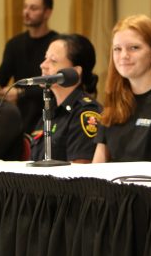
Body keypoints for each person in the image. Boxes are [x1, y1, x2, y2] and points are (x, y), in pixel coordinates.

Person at [93, 15, 151, 163]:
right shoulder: (115, 98)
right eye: (117, 49)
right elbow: (97, 165)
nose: (124, 55)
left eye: (134, 48)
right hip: (109, 186)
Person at [0, 0, 60, 134]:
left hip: (50, 118)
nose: (26, 12)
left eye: (33, 8)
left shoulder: (57, 44)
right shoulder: (14, 44)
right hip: (21, 121)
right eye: (25, 7)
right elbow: (0, 82)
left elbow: (55, 84)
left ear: (47, 13)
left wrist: (21, 92)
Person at [29, 34, 102, 163]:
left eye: (53, 61)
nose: (43, 65)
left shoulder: (85, 113)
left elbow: (81, 173)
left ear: (75, 71)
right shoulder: (49, 109)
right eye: (45, 58)